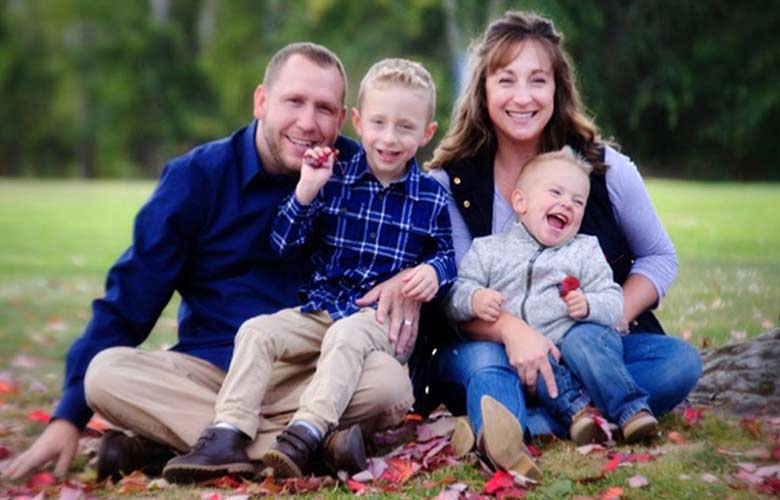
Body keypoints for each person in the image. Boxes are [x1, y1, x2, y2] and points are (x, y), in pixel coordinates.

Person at [2, 42, 422, 482]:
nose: (307, 122)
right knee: (103, 374)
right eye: (293, 101)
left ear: (341, 119)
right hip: (210, 373)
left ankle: (167, 445)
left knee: (389, 385)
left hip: (312, 373)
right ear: (262, 101)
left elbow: (422, 226)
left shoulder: (363, 172)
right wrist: (68, 417)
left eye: (324, 109)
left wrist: (412, 277)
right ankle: (312, 446)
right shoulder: (196, 177)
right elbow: (131, 298)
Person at [409, 10, 702, 464]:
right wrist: (514, 333)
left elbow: (658, 257)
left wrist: (605, 319)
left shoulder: (604, 170)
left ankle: (520, 426)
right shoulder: (453, 183)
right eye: (506, 80)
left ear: (557, 89)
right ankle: (562, 414)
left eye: (537, 80)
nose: (522, 97)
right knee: (485, 366)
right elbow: (457, 292)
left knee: (678, 363)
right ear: (483, 90)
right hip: (491, 348)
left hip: (585, 342)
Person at [162, 58, 455, 482]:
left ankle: (307, 432)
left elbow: (446, 254)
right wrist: (306, 190)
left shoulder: (430, 196)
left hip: (377, 325)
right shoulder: (334, 178)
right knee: (257, 331)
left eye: (405, 128)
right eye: (378, 123)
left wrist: (432, 270)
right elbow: (283, 243)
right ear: (355, 122)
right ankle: (228, 430)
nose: (389, 138)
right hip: (322, 309)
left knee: (347, 334)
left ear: (427, 133)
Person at [445, 147, 659, 455]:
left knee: (593, 344)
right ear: (520, 201)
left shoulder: (584, 251)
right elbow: (453, 297)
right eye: (556, 192)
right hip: (514, 357)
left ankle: (630, 412)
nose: (566, 204)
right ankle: (571, 420)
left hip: (576, 357)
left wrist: (588, 305)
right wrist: (475, 298)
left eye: (577, 201)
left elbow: (613, 301)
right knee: (506, 372)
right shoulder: (489, 251)